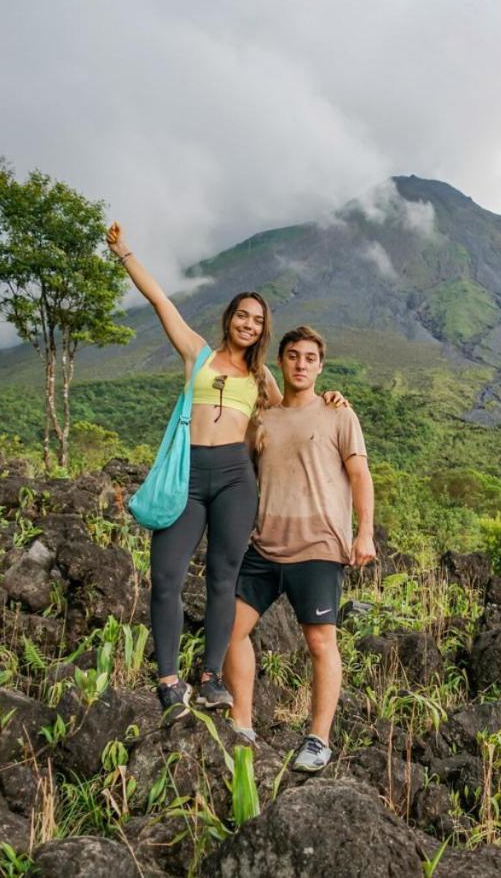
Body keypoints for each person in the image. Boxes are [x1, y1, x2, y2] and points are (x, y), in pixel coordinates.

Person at [105, 223, 347, 720]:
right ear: (230, 319)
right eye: (242, 315)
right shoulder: (198, 355)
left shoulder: (262, 379)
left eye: (258, 321)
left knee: (223, 579)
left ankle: (211, 677)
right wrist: (124, 251)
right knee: (167, 577)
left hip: (236, 480)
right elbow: (160, 302)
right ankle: (169, 679)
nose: (249, 325)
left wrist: (330, 400)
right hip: (189, 478)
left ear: (263, 330)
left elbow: (292, 415)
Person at [223, 325, 376, 772]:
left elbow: (360, 476)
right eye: (293, 356)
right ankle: (242, 725)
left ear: (320, 366)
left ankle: (318, 739)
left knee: (319, 641)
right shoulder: (263, 420)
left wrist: (363, 532)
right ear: (282, 362)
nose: (301, 364)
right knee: (231, 629)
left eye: (310, 358)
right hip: (265, 545)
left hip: (320, 546)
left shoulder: (338, 415)